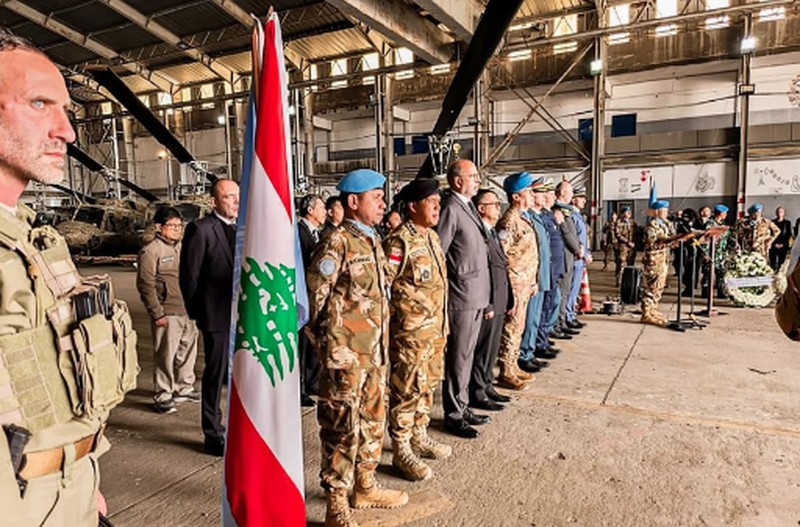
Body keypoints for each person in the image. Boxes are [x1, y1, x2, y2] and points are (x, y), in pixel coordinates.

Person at [0, 28, 138, 526]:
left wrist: (84, 483)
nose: (67, 130)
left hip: (67, 494)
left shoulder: (35, 241)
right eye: (40, 104)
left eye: (65, 109)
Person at [306, 169, 407, 527]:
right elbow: (313, 298)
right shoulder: (337, 242)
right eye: (376, 198)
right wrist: (328, 344)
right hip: (346, 356)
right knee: (341, 427)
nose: (383, 204)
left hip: (374, 354)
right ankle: (336, 503)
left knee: (372, 422)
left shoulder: (373, 240)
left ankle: (364, 485)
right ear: (353, 202)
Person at [383, 179, 450, 482]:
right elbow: (384, 288)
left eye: (438, 200)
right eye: (431, 201)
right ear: (413, 206)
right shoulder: (399, 242)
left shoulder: (432, 238)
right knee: (406, 389)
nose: (437, 206)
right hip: (410, 335)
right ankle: (400, 448)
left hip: (434, 329)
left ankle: (419, 436)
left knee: (427, 385)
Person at [179, 178, 240, 457]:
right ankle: (213, 431)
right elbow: (188, 277)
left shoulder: (244, 229)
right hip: (216, 315)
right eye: (229, 197)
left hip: (244, 315)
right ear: (214, 202)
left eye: (238, 196)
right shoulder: (200, 230)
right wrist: (200, 313)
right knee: (215, 374)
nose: (236, 201)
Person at [436, 159, 492, 439]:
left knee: (467, 355)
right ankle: (454, 414)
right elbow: (439, 253)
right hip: (461, 294)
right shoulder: (450, 208)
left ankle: (464, 404)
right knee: (458, 357)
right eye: (473, 176)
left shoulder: (467, 206)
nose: (477, 181)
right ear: (457, 181)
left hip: (476, 294)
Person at [136, 206, 199, 415]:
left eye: (179, 226)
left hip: (189, 309)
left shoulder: (184, 247)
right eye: (172, 226)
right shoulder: (151, 251)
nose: (176, 230)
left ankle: (184, 388)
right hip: (167, 312)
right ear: (159, 227)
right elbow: (146, 284)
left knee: (188, 351)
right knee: (166, 355)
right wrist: (157, 313)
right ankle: (163, 393)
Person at [469, 189, 513, 410]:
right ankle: (477, 391)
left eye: (498, 203)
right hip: (488, 301)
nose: (498, 207)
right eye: (493, 203)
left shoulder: (492, 233)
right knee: (483, 349)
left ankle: (486, 385)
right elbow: (482, 271)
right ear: (480, 208)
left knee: (492, 348)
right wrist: (487, 302)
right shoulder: (479, 235)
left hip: (499, 299)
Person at [495, 172, 539, 390]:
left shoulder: (524, 218)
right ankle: (505, 370)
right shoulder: (509, 222)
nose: (532, 195)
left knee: (518, 327)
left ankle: (512, 365)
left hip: (523, 284)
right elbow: (500, 257)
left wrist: (531, 281)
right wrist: (508, 290)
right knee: (511, 328)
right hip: (513, 286)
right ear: (515, 196)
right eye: (528, 191)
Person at [519, 177, 555, 371]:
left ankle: (529, 351)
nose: (533, 196)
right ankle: (524, 354)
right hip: (531, 278)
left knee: (535, 316)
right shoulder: (526, 218)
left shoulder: (537, 217)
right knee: (530, 317)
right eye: (532, 192)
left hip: (541, 275)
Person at [641, 200, 692, 326]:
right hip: (653, 260)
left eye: (666, 210)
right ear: (657, 212)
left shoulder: (667, 224)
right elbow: (652, 242)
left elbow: (670, 239)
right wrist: (672, 239)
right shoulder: (651, 226)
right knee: (651, 287)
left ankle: (653, 310)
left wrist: (680, 239)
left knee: (659, 286)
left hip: (663, 258)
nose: (666, 213)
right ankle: (646, 313)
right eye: (664, 211)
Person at [297, 194, 327, 407]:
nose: (325, 212)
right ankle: (298, 389)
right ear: (310, 210)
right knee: (301, 346)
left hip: (313, 297)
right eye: (322, 208)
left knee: (310, 344)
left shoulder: (317, 233)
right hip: (303, 295)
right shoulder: (299, 233)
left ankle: (311, 381)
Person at [554, 181, 580, 338]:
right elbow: (566, 234)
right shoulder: (559, 211)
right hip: (565, 255)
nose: (572, 196)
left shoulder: (567, 210)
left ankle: (562, 321)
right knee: (562, 292)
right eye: (570, 192)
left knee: (565, 291)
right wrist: (577, 249)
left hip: (570, 255)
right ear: (563, 193)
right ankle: (559, 323)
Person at [565, 187, 590, 330]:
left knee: (575, 289)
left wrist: (588, 252)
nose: (584, 201)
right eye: (581, 198)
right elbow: (574, 238)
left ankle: (571, 314)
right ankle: (568, 316)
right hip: (575, 258)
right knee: (571, 289)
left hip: (581, 258)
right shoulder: (571, 215)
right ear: (574, 200)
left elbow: (584, 237)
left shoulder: (579, 215)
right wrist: (581, 252)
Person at [613, 206, 636, 287]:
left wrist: (635, 243)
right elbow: (617, 234)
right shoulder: (618, 222)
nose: (629, 213)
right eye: (627, 212)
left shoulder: (633, 222)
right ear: (623, 214)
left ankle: (629, 281)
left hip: (632, 247)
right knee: (621, 264)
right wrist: (627, 242)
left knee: (631, 264)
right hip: (623, 246)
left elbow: (636, 234)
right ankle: (619, 281)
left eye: (629, 212)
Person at [770, 206, 792, 271]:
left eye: (781, 212)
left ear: (784, 213)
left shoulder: (787, 223)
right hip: (774, 245)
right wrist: (774, 244)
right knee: (772, 262)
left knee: (781, 262)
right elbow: (770, 234)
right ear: (776, 213)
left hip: (783, 245)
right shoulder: (772, 222)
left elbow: (789, 234)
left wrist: (783, 244)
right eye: (778, 212)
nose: (779, 213)